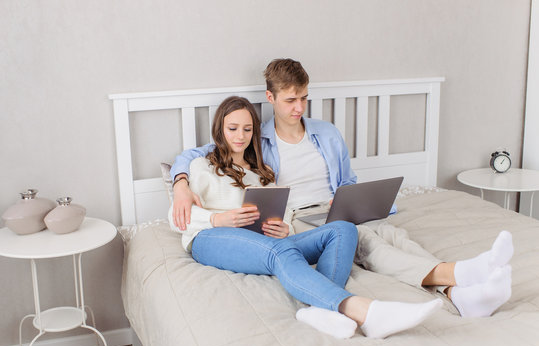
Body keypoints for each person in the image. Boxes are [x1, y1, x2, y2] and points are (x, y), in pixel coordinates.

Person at [169, 59, 513, 319]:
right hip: (300, 218)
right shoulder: (254, 138)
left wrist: (350, 200)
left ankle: (457, 293)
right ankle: (459, 274)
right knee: (369, 245)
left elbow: (347, 180)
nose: (299, 108)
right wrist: (180, 184)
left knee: (395, 236)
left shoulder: (327, 132)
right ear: (270, 98)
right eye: (290, 100)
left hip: (337, 207)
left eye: (304, 98)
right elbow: (204, 152)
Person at [169, 95, 443, 339]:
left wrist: (284, 228)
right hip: (210, 238)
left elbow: (282, 212)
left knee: (343, 229)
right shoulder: (200, 166)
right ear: (220, 130)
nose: (239, 136)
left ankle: (319, 311)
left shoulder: (260, 173)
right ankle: (363, 309)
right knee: (277, 252)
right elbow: (176, 217)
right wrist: (218, 220)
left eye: (247, 129)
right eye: (232, 128)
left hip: (264, 242)